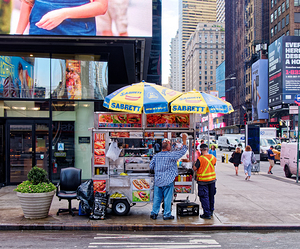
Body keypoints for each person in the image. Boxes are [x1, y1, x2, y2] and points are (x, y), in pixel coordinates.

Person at [149, 134, 188, 220]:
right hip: (168, 180)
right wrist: (184, 140)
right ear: (168, 147)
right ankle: (166, 214)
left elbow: (151, 166)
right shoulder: (171, 155)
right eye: (170, 145)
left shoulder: (156, 156)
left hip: (158, 181)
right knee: (167, 199)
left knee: (157, 198)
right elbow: (183, 151)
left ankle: (154, 213)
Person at [16, 0, 108, 35]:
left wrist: (64, 13)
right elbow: (27, 3)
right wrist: (17, 36)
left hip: (77, 34)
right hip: (40, 31)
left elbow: (101, 6)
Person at [193, 143, 217, 219]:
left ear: (201, 150)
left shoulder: (200, 159)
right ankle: (211, 211)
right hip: (212, 180)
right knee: (211, 196)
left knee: (204, 197)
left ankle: (207, 214)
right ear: (207, 149)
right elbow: (213, 165)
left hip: (203, 181)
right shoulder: (213, 157)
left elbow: (194, 168)